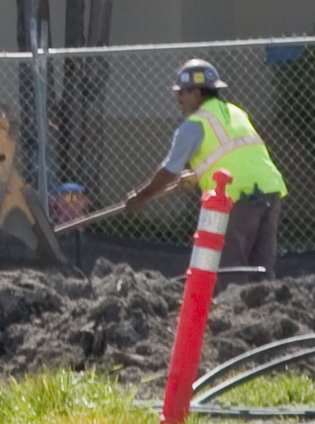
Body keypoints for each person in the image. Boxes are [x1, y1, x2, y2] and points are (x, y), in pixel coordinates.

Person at [106, 58, 287, 272]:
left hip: (237, 197)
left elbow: (168, 172)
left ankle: (235, 304)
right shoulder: (235, 112)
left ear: (197, 93)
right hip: (270, 190)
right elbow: (233, 154)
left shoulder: (193, 125)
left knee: (231, 266)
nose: (178, 98)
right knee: (261, 266)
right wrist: (196, 174)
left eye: (182, 92)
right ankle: (264, 305)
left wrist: (140, 197)